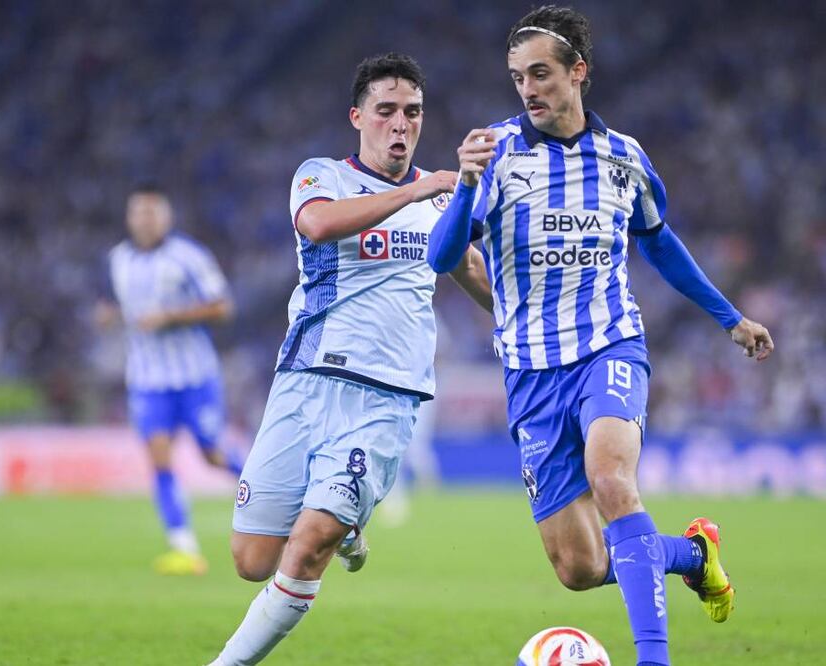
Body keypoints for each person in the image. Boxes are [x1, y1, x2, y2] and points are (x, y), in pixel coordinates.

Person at [426, 6, 775, 666]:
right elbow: (445, 258)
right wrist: (466, 183)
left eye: (541, 73)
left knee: (612, 479)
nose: (528, 89)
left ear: (577, 71)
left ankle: (653, 659)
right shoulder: (496, 154)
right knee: (580, 567)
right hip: (531, 373)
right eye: (517, 77)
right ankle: (692, 556)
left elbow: (660, 243)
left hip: (609, 347)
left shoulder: (624, 158)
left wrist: (731, 318)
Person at [207, 53, 491, 665]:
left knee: (308, 544)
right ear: (357, 117)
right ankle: (348, 529)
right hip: (305, 380)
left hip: (387, 395)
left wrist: (530, 321)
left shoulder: (445, 202)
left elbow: (472, 270)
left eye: (412, 112)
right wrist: (416, 189)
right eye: (386, 110)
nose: (400, 123)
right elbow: (317, 226)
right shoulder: (323, 176)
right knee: (251, 560)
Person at [97, 183, 241, 575]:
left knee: (212, 454)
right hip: (147, 379)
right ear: (129, 218)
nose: (145, 220)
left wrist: (171, 317)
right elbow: (112, 304)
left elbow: (223, 307)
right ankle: (183, 547)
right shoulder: (117, 260)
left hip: (195, 376)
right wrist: (107, 316)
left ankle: (270, 494)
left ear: (166, 216)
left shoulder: (189, 257)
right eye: (138, 212)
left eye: (152, 212)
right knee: (159, 456)